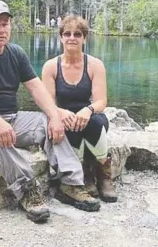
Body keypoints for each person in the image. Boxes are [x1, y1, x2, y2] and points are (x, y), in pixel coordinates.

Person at [0, 0, 100, 224]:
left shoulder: (15, 53)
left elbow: (36, 88)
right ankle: (28, 191)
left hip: (11, 118)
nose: (2, 29)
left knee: (47, 123)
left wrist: (53, 116)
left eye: (5, 24)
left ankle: (70, 184)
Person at [42, 15, 117, 203]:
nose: (72, 38)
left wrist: (88, 110)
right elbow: (47, 102)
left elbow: (101, 101)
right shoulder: (51, 66)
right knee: (68, 125)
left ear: (84, 38)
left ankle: (103, 175)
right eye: (67, 34)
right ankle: (82, 173)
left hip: (90, 115)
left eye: (77, 34)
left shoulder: (95, 65)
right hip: (64, 116)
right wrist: (60, 112)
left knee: (95, 122)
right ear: (61, 37)